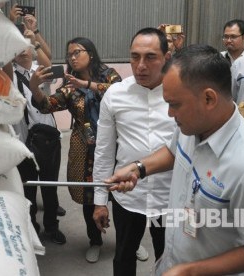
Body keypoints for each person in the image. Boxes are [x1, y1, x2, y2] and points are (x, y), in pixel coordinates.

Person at [105, 44, 244, 276]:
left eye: (174, 104)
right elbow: (172, 151)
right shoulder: (192, 125)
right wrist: (139, 168)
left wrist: (190, 271)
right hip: (172, 262)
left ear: (209, 98)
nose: (169, 113)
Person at [28, 37, 123, 262]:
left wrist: (87, 85)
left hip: (117, 147)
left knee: (121, 198)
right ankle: (95, 241)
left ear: (90, 53)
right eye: (69, 54)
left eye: (76, 52)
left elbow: (118, 92)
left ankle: (130, 241)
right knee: (90, 198)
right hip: (84, 150)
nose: (72, 57)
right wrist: (34, 87)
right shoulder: (69, 87)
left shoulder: (108, 75)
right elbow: (47, 105)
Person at [92, 27, 176, 276]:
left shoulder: (180, 94)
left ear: (166, 57)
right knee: (124, 257)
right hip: (127, 196)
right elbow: (104, 151)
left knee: (171, 259)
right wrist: (100, 201)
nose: (140, 65)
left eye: (150, 57)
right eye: (134, 57)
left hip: (170, 197)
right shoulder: (115, 95)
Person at [7, 6, 67, 244]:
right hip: (23, 141)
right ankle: (31, 226)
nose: (24, 52)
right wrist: (10, 24)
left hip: (50, 138)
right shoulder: (8, 74)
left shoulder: (39, 70)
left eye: (27, 48)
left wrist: (34, 35)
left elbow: (49, 59)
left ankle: (51, 226)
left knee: (50, 186)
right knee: (29, 187)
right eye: (18, 48)